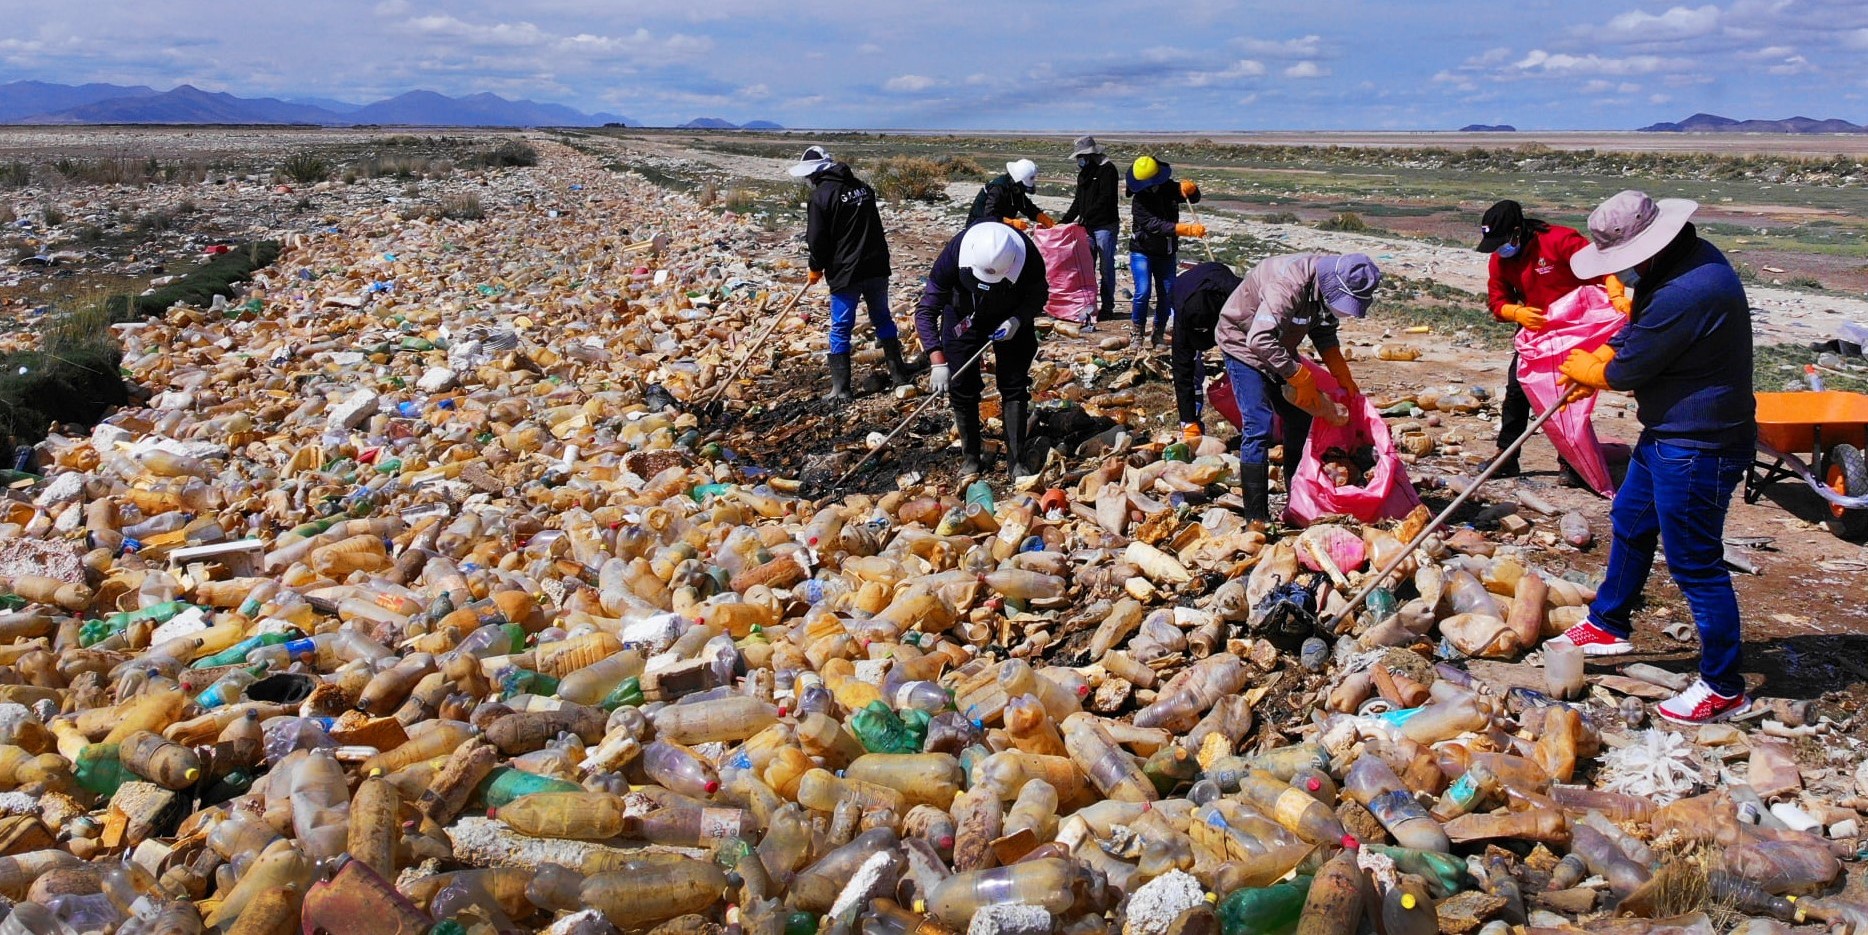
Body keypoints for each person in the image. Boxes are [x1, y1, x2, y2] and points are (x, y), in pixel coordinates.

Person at [1550, 190, 1755, 725]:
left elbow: (1627, 371)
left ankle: (1724, 685)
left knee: (1696, 563)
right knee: (1632, 520)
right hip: (1667, 430)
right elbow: (1641, 332)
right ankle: (1609, 623)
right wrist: (1609, 347)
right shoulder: (1683, 260)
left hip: (1699, 444)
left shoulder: (1687, 289)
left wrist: (1597, 369)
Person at [1214, 253, 1381, 522]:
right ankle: (1256, 519)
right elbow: (1259, 340)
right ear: (1332, 285)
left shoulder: (1323, 290)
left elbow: (1323, 331)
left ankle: (1297, 502)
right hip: (1243, 343)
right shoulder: (1288, 285)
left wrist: (1341, 373)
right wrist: (1299, 376)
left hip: (1278, 347)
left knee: (1299, 418)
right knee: (1259, 425)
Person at [1477, 199, 1626, 479]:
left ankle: (1571, 462)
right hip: (1539, 330)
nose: (1499, 249)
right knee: (1517, 390)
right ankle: (1506, 455)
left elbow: (1603, 266)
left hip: (1577, 327)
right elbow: (1497, 300)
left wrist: (1615, 290)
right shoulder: (1500, 259)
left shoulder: (1559, 240)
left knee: (1567, 394)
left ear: (1517, 231)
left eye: (1502, 241)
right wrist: (1515, 311)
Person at [916, 222, 1049, 481]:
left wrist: (1019, 320)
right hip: (963, 315)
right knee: (962, 385)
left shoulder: (1028, 256)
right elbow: (926, 310)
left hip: (1010, 317)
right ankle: (971, 458)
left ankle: (1017, 461)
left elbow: (1039, 294)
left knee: (1014, 384)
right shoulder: (955, 254)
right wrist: (936, 360)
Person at [791, 145, 910, 400]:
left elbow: (817, 239)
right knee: (883, 318)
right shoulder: (862, 188)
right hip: (876, 265)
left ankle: (841, 389)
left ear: (814, 174)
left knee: (841, 327)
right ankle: (898, 373)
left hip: (846, 272)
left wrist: (815, 266)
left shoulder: (821, 197)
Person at [1126, 155, 1206, 349]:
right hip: (1142, 251)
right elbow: (1154, 225)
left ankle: (1158, 334)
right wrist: (1185, 229)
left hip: (1166, 252)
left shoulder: (1169, 187)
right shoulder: (1139, 201)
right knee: (1143, 291)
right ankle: (1137, 334)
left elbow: (1191, 198)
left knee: (1167, 293)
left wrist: (1192, 189)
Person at [1168, 261, 1242, 442]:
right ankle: (1193, 420)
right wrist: (1187, 420)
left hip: (1220, 288)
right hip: (1186, 291)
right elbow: (1181, 373)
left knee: (1242, 358)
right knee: (1188, 367)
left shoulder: (1237, 296)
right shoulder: (1182, 317)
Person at [1060, 136, 1120, 320]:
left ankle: (1107, 307)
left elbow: (1106, 199)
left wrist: (1085, 217)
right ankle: (1088, 305)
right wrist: (1063, 222)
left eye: (1082, 156)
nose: (1080, 160)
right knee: (1087, 267)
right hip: (1088, 227)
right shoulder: (1084, 174)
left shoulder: (1107, 170)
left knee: (1106, 267)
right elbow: (1078, 201)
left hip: (1104, 226)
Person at [967, 159, 1054, 231]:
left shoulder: (1015, 188)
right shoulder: (998, 188)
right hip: (978, 227)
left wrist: (1042, 217)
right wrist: (1011, 223)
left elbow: (1026, 206)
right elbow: (990, 215)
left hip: (997, 227)